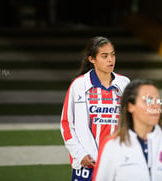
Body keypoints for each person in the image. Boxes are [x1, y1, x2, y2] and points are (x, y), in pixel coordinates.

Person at [92, 79, 162, 181]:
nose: (155, 105)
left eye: (158, 100)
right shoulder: (112, 145)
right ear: (130, 106)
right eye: (148, 100)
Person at [60, 36, 130, 181]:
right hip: (88, 165)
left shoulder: (125, 84)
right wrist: (80, 154)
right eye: (104, 56)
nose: (111, 60)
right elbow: (67, 124)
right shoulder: (78, 85)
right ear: (92, 59)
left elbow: (133, 123)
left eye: (113, 54)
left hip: (118, 164)